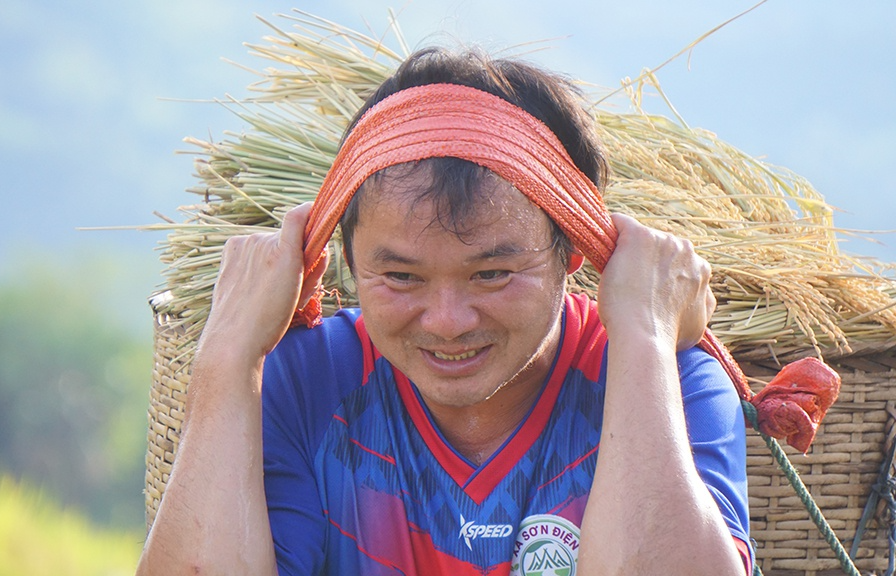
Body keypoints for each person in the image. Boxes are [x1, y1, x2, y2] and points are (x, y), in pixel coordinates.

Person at [137, 47, 752, 576]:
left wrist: (645, 333)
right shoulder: (304, 380)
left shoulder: (666, 383)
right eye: (401, 277)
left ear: (572, 253)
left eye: (492, 273)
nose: (447, 320)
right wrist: (227, 352)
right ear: (346, 261)